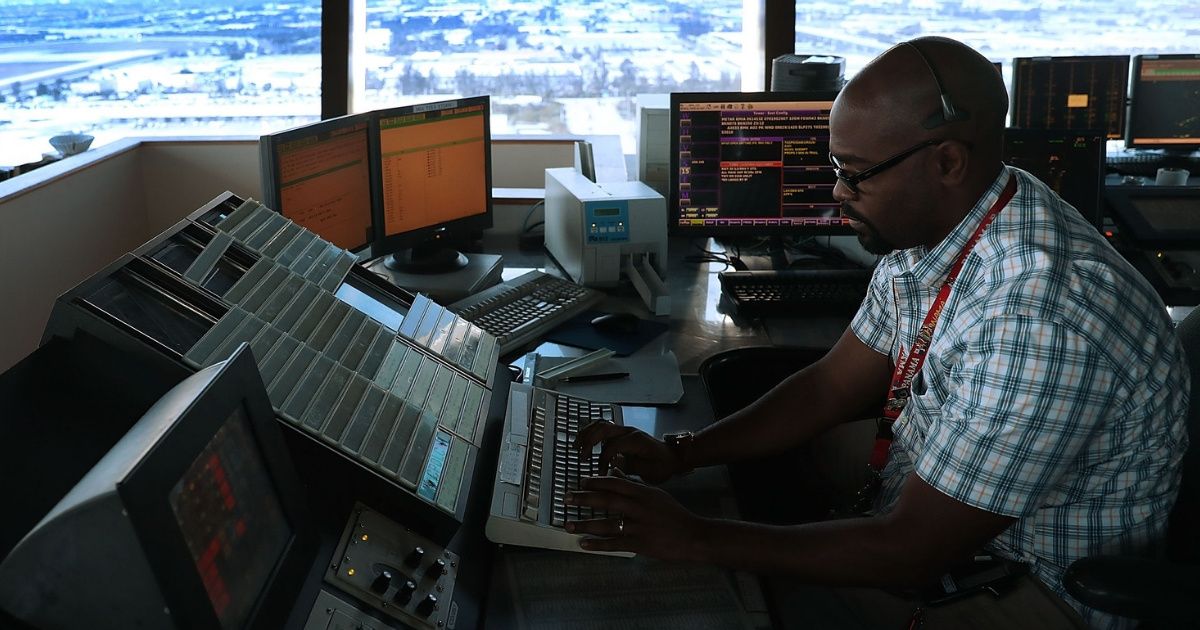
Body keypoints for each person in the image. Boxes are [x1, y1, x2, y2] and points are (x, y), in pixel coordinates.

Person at [569, 37, 1190, 629]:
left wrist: (698, 539)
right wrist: (683, 454)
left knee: (687, 602)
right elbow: (829, 387)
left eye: (857, 173)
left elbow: (910, 552)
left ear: (947, 160)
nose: (840, 192)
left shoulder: (1042, 316)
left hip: (1016, 590)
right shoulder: (947, 224)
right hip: (929, 517)